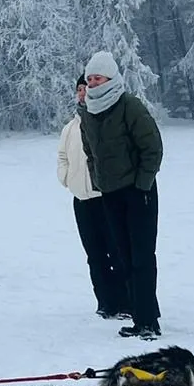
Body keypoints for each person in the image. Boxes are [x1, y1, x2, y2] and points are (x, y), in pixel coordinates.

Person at [77, 50, 164, 341]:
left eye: (97, 77)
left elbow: (152, 148)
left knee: (141, 257)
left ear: (111, 78)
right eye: (89, 79)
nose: (92, 83)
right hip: (110, 194)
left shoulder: (129, 106)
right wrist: (98, 181)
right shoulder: (87, 112)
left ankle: (149, 321)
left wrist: (142, 184)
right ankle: (139, 317)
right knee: (124, 258)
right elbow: (90, 153)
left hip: (139, 193)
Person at [57, 74, 128, 319]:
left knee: (116, 252)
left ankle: (124, 302)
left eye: (85, 88)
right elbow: (62, 157)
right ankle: (105, 302)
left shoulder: (104, 121)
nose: (82, 93)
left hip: (106, 197)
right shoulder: (70, 128)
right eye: (78, 89)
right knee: (94, 256)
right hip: (81, 200)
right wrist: (67, 178)